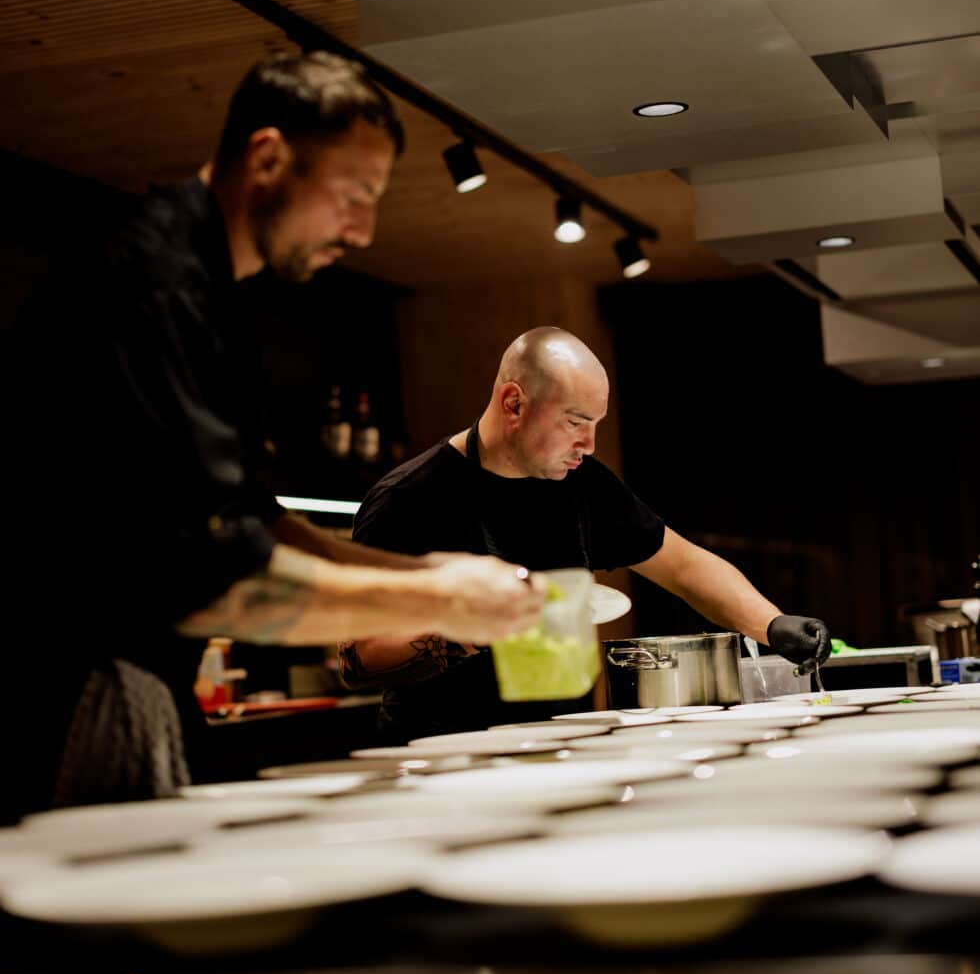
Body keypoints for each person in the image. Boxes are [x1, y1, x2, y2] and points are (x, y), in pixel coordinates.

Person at [1, 53, 543, 819]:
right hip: (54, 712)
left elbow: (260, 523)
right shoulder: (148, 282)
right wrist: (436, 595)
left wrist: (426, 572)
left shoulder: (214, 293)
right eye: (354, 195)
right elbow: (212, 577)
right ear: (267, 158)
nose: (364, 230)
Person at [340, 327, 831, 738]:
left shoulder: (583, 485)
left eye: (595, 423)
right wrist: (469, 628)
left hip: (564, 739)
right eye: (576, 421)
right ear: (514, 403)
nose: (589, 444)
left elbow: (682, 566)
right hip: (443, 755)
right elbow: (356, 658)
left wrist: (771, 623)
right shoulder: (407, 498)